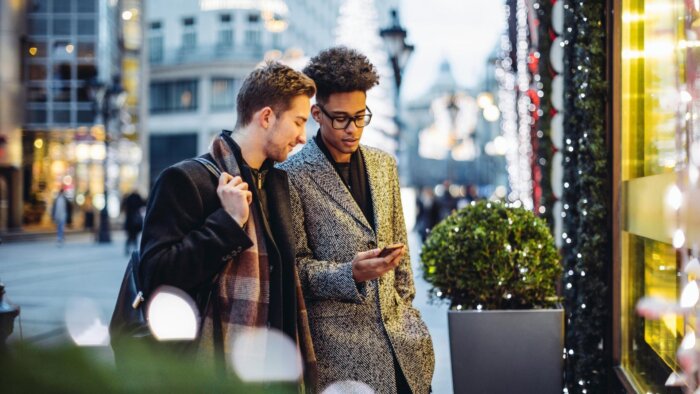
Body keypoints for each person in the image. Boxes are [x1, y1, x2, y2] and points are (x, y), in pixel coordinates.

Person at [138, 62, 317, 386]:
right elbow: (156, 277)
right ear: (266, 117)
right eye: (298, 122)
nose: (303, 137)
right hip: (211, 372)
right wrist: (228, 223)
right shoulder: (186, 180)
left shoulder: (276, 184)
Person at [279, 47, 435, 394]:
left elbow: (402, 256)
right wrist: (349, 274)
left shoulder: (384, 164)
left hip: (403, 347)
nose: (353, 129)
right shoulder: (290, 176)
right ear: (316, 113)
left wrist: (409, 316)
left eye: (360, 116)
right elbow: (294, 269)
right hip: (339, 355)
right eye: (340, 118)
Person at [121, 190, 146, 256]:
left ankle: (128, 248)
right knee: (134, 235)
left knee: (130, 236)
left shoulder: (128, 199)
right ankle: (134, 248)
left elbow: (123, 207)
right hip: (135, 220)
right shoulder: (137, 198)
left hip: (130, 220)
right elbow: (143, 204)